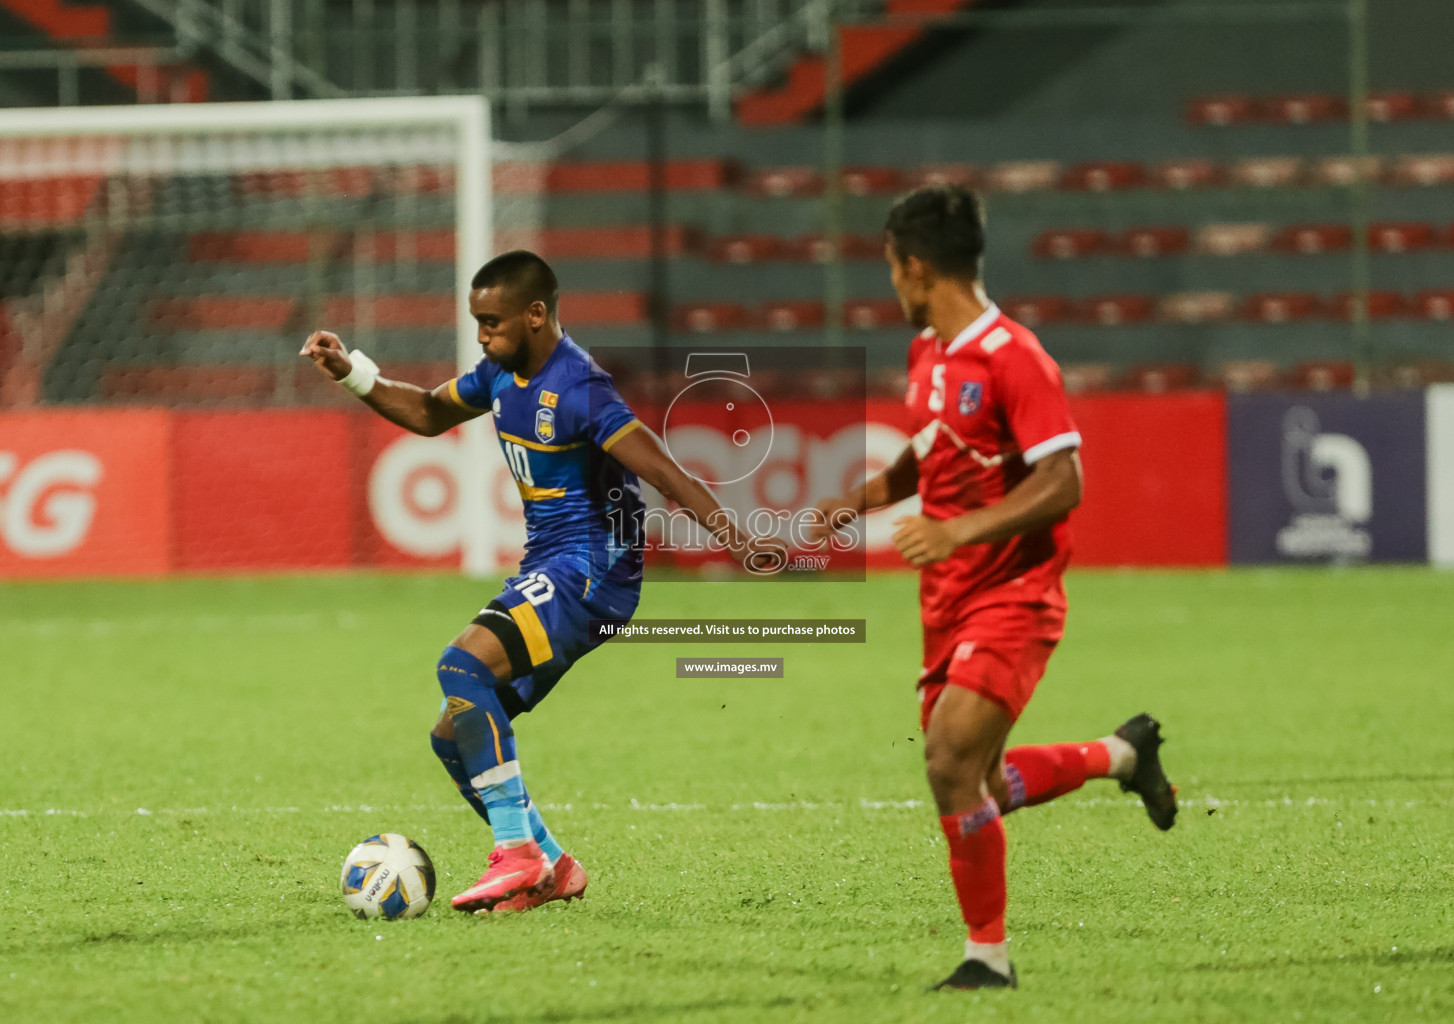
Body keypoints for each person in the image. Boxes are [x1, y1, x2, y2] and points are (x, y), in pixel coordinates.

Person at [302, 250, 779, 914]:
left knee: (461, 668)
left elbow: (665, 471)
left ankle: (517, 856)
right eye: (477, 322)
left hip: (590, 572)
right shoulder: (500, 373)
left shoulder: (580, 387)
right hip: (552, 569)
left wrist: (737, 539)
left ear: (535, 314)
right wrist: (352, 372)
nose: (483, 335)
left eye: (492, 321)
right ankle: (553, 865)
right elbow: (429, 413)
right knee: (454, 736)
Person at [811, 185, 1178, 989]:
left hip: (1015, 592)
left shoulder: (1015, 357)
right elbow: (931, 451)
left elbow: (1065, 480)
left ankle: (989, 958)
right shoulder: (927, 355)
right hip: (944, 598)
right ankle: (1121, 755)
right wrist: (858, 501)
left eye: (891, 270)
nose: (892, 287)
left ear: (913, 267)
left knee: (946, 762)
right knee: (977, 781)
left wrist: (958, 532)